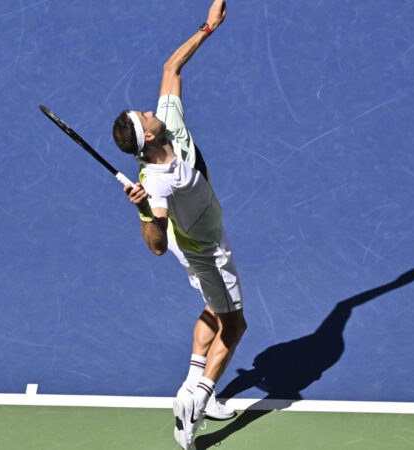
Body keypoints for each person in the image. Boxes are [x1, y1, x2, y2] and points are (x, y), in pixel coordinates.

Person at [112, 1, 246, 448]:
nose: (151, 111)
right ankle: (195, 401)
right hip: (206, 250)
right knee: (236, 325)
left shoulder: (166, 125)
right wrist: (145, 210)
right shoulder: (159, 184)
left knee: (213, 308)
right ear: (147, 135)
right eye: (145, 116)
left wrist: (207, 28)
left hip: (193, 235)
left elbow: (171, 66)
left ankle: (194, 379)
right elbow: (154, 245)